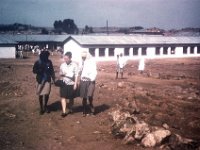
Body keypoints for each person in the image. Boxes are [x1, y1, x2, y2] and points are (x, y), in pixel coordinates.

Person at [33, 51, 55, 115]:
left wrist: (53, 79)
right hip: (40, 80)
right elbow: (34, 70)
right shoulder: (38, 62)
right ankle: (41, 108)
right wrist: (40, 70)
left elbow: (52, 71)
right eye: (46, 56)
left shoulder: (49, 62)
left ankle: (45, 106)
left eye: (47, 56)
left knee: (47, 94)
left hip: (47, 80)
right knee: (40, 94)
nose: (47, 57)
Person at [59, 52, 78, 118]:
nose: (65, 60)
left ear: (70, 58)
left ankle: (70, 109)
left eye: (66, 58)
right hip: (64, 83)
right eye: (64, 58)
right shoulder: (62, 65)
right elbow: (60, 73)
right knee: (63, 97)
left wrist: (75, 84)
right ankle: (64, 112)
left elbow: (76, 75)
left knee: (71, 98)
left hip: (71, 84)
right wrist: (61, 74)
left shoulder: (74, 65)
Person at [79, 51, 97, 117]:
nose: (83, 58)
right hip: (83, 81)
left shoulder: (92, 61)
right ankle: (84, 111)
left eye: (84, 57)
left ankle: (92, 108)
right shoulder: (81, 62)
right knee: (84, 97)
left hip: (90, 81)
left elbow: (95, 71)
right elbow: (79, 71)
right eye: (82, 57)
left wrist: (92, 79)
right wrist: (81, 66)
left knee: (89, 96)